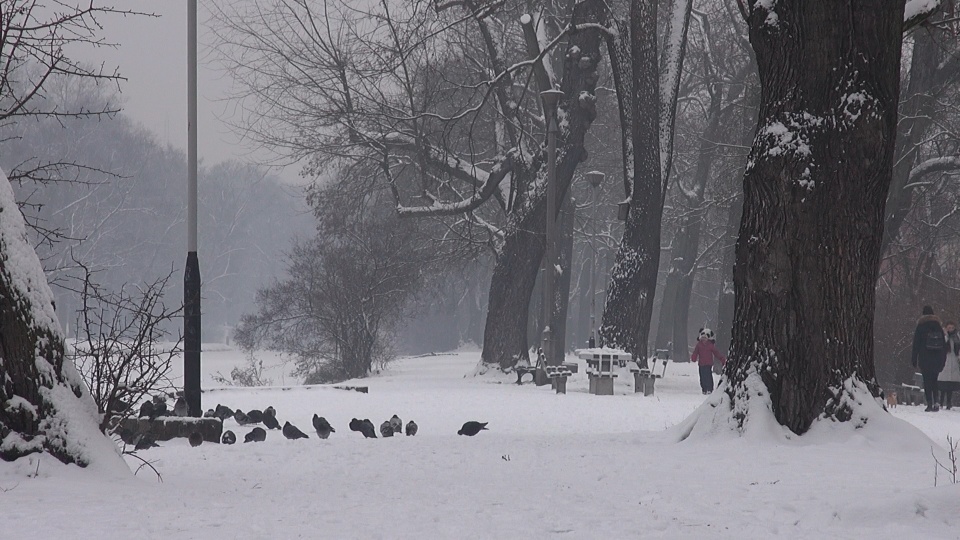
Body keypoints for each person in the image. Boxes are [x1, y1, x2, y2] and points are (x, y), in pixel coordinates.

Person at [911, 305, 947, 412]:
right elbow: (944, 345)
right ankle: (936, 401)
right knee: (934, 380)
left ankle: (929, 403)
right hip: (937, 358)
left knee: (927, 381)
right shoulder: (938, 326)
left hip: (925, 357)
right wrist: (943, 359)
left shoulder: (921, 326)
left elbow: (916, 343)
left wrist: (914, 358)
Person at [691, 328, 726, 395]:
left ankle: (709, 388)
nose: (704, 340)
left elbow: (716, 353)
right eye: (702, 338)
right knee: (702, 377)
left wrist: (721, 358)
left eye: (705, 338)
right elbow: (695, 352)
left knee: (708, 376)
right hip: (701, 364)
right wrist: (694, 358)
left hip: (708, 364)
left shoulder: (710, 345)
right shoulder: (699, 345)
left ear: (708, 338)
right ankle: (704, 389)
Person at [939, 321, 960, 410]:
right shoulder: (943, 336)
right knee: (943, 383)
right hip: (945, 360)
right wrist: (946, 335)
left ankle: (948, 402)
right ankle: (941, 401)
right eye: (949, 327)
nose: (950, 329)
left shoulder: (957, 337)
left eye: (952, 327)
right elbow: (942, 345)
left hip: (954, 360)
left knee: (950, 384)